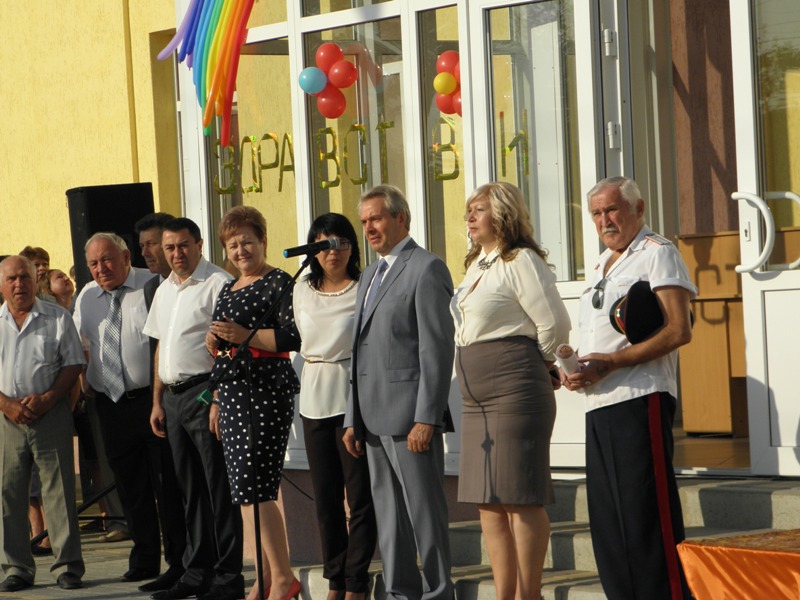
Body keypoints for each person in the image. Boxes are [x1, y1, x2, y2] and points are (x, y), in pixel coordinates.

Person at [563, 176, 694, 600]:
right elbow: (599, 336)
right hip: (598, 402)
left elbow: (678, 330)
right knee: (609, 521)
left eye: (612, 209)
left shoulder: (658, 253)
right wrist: (574, 368)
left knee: (645, 517)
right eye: (596, 213)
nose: (604, 220)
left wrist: (611, 363)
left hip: (640, 397)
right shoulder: (600, 264)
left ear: (638, 209)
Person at [451, 182, 571, 600]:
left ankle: (528, 593)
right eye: (469, 210)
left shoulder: (520, 260)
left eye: (479, 210)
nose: (470, 217)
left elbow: (554, 324)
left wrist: (543, 362)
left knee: (519, 497)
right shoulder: (477, 263)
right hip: (475, 398)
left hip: (514, 387)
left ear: (502, 214)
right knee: (488, 501)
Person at [343, 184, 455, 600]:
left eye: (376, 218)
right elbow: (358, 351)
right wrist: (352, 418)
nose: (369, 228)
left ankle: (439, 592)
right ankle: (399, 593)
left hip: (411, 419)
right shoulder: (370, 275)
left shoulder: (426, 268)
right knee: (389, 520)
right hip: (371, 419)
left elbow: (436, 350)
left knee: (425, 515)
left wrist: (427, 417)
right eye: (364, 221)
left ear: (401, 218)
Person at [72, 233, 187, 588]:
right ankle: (144, 558)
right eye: (93, 263)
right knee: (130, 486)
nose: (100, 269)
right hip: (111, 404)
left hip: (152, 401)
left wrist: (159, 398)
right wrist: (84, 383)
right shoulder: (86, 297)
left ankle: (179, 561)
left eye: (107, 259)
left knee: (167, 485)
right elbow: (80, 343)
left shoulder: (152, 286)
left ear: (125, 256)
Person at [143, 217, 244, 600]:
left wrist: (218, 397)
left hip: (205, 393)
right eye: (169, 247)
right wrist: (157, 400)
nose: (176, 254)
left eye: (183, 245)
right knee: (190, 491)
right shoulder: (164, 288)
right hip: (172, 397)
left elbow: (229, 347)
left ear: (200, 244)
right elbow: (161, 346)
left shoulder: (218, 283)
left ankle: (227, 577)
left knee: (217, 488)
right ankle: (197, 572)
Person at [206, 206, 301, 600]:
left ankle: (283, 576)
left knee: (258, 487)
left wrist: (242, 334)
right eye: (232, 245)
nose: (240, 250)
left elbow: (292, 337)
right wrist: (215, 346)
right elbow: (223, 346)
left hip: (265, 390)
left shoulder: (279, 282)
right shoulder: (229, 287)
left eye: (247, 241)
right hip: (230, 393)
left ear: (263, 241)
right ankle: (263, 576)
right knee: (243, 491)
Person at [293, 213, 377, 600]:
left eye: (341, 242)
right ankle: (336, 580)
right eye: (324, 244)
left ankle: (357, 581)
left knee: (359, 497)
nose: (333, 251)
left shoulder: (365, 287)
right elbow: (287, 335)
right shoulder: (300, 289)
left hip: (351, 397)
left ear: (352, 247)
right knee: (326, 499)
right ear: (313, 249)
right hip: (313, 397)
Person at [0, 256, 85, 592]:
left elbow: (73, 364)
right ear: (1, 285)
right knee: (8, 494)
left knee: (59, 491)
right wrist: (7, 405)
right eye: (11, 279)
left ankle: (67, 567)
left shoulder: (57, 317)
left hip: (50, 414)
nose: (19, 284)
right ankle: (16, 568)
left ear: (36, 281)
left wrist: (49, 399)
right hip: (7, 419)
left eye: (25, 277)